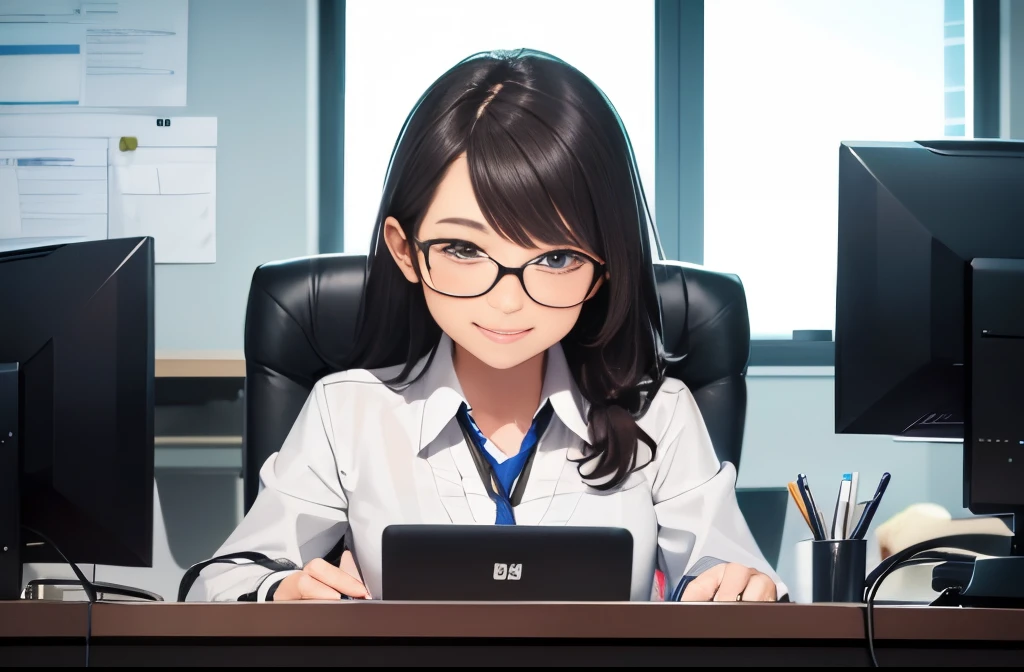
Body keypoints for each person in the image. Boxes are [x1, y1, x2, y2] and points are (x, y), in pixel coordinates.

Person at [183, 49, 787, 603]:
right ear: (405, 250)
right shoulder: (347, 414)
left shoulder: (662, 416)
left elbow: (732, 572)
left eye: (555, 258)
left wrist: (739, 587)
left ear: (605, 269)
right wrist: (278, 591)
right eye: (463, 250)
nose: (506, 299)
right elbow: (224, 577)